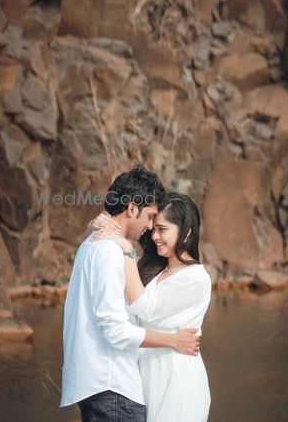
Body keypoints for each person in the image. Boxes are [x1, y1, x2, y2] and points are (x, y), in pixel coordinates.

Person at [60, 166, 201, 422]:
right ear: (132, 208)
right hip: (113, 386)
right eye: (149, 216)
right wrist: (173, 340)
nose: (150, 226)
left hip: (99, 385)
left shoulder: (90, 244)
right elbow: (115, 329)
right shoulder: (110, 251)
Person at [89, 190, 212, 422]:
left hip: (178, 382)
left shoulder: (195, 278)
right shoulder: (157, 271)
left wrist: (124, 246)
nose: (155, 236)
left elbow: (143, 306)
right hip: (149, 378)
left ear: (187, 232)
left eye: (162, 229)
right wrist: (106, 225)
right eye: (153, 228)